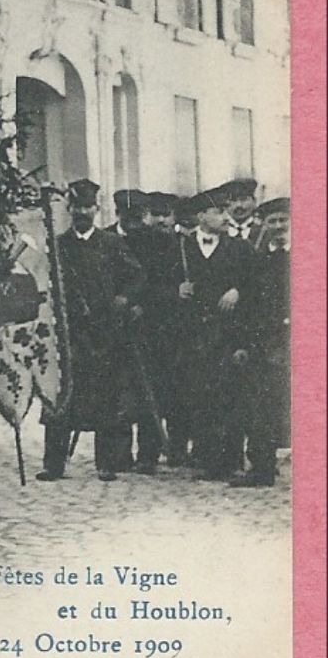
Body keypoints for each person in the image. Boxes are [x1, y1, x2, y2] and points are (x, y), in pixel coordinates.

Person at [35, 180, 147, 483]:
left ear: (97, 210)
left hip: (104, 332)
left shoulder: (112, 244)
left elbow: (137, 276)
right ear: (70, 210)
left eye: (88, 207)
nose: (83, 212)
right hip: (69, 334)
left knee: (106, 397)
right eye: (78, 207)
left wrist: (124, 298)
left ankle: (107, 463)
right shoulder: (58, 246)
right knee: (60, 398)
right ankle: (54, 464)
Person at [166, 187, 253, 479]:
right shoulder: (180, 247)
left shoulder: (239, 248)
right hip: (192, 335)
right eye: (218, 211)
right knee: (198, 395)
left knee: (228, 394)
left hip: (227, 333)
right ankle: (205, 458)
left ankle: (231, 460)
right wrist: (176, 290)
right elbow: (160, 283)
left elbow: (257, 283)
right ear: (201, 215)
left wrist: (238, 291)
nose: (224, 217)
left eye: (225, 211)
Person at [115, 188, 179, 473]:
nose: (134, 224)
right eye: (127, 217)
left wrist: (143, 305)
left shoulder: (160, 242)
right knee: (119, 391)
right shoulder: (107, 238)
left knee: (150, 388)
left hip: (153, 328)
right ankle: (118, 454)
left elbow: (159, 281)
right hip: (115, 325)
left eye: (138, 217)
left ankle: (148, 454)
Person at [230, 196, 289, 487]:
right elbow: (249, 306)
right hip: (267, 344)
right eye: (272, 221)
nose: (278, 227)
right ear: (263, 225)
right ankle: (262, 468)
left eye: (283, 220)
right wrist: (244, 343)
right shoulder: (259, 260)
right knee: (262, 406)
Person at [221, 178, 261, 244]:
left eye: (243, 199)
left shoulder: (263, 231)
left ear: (254, 202)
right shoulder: (219, 233)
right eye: (233, 201)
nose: (238, 205)